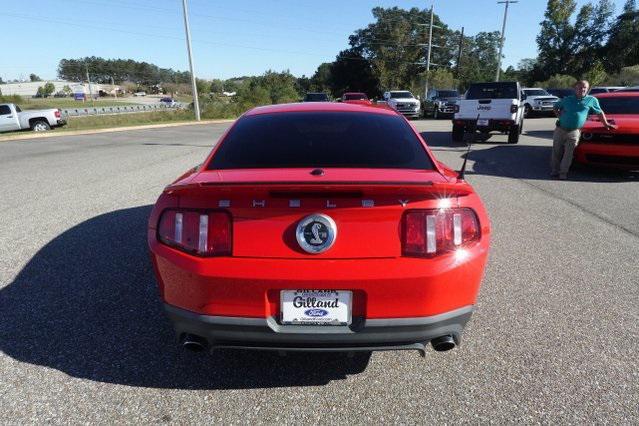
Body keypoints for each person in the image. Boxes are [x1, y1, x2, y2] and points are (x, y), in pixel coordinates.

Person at [551, 80, 616, 179]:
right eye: (580, 87)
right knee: (557, 152)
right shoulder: (567, 99)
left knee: (569, 154)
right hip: (560, 129)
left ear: (587, 89)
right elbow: (555, 107)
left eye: (585, 87)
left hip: (574, 131)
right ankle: (554, 171)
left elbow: (599, 112)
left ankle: (563, 173)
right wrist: (559, 116)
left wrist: (605, 123)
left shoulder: (591, 100)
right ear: (575, 88)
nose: (582, 89)